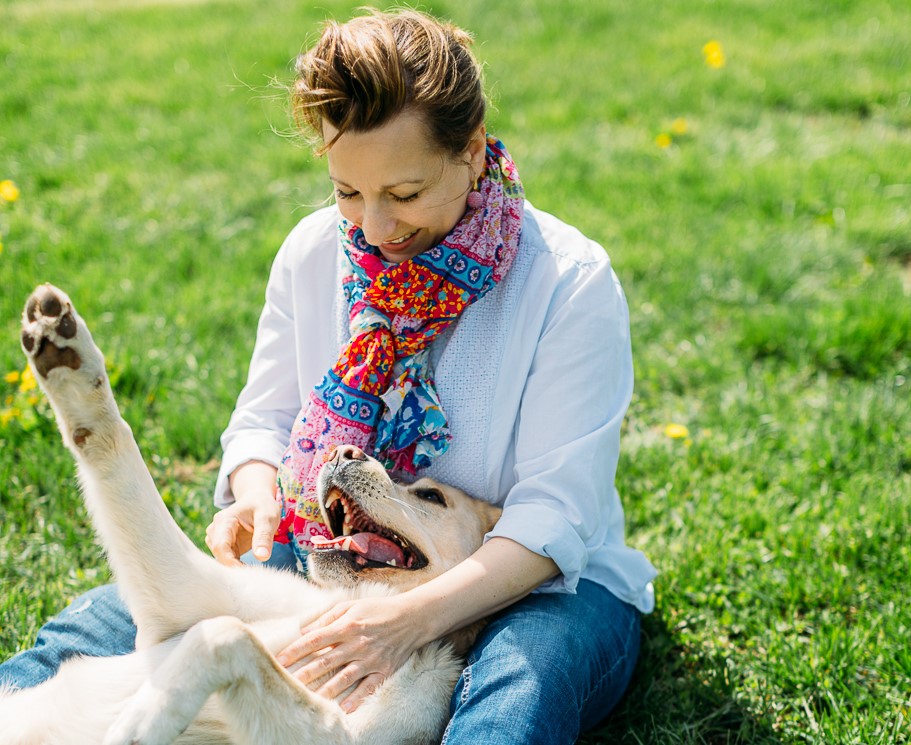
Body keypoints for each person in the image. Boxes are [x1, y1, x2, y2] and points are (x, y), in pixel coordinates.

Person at [0, 9, 656, 743]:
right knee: (106, 618)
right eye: (348, 191)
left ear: (471, 152)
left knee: (517, 685)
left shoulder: (566, 280)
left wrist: (406, 622)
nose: (373, 228)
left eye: (404, 194)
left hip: (535, 584)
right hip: (337, 550)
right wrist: (257, 494)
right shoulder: (315, 252)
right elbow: (263, 422)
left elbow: (556, 515)